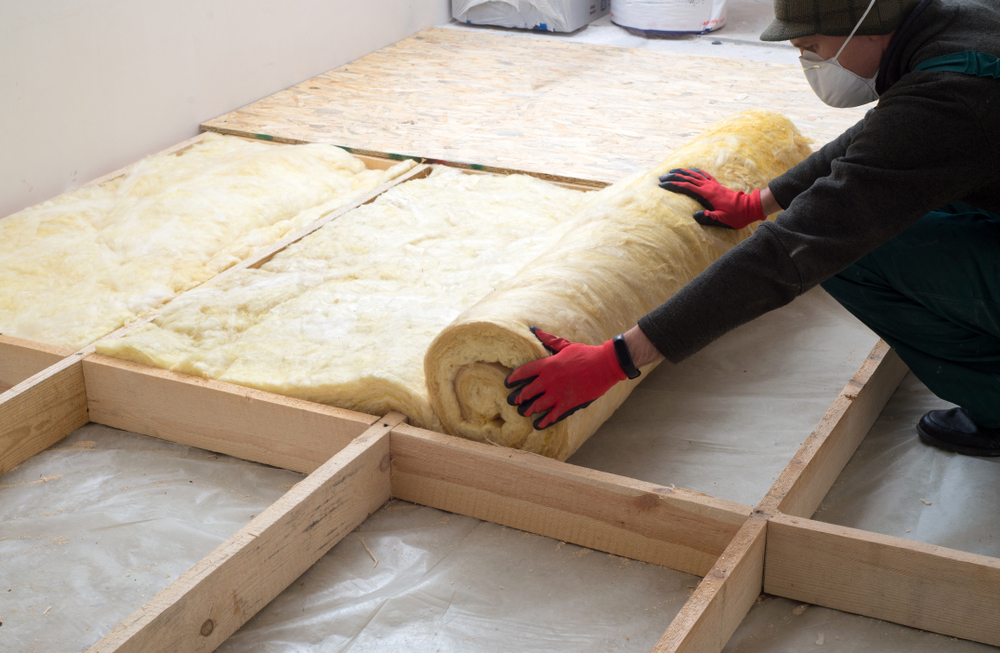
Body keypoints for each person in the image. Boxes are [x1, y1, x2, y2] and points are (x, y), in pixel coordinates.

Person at [505, 0, 1000, 456]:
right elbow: (886, 132)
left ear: (866, 28)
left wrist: (618, 358)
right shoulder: (955, 21)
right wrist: (758, 202)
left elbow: (794, 249)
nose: (810, 63)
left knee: (858, 250)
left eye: (811, 48)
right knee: (902, 208)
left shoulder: (953, 99)